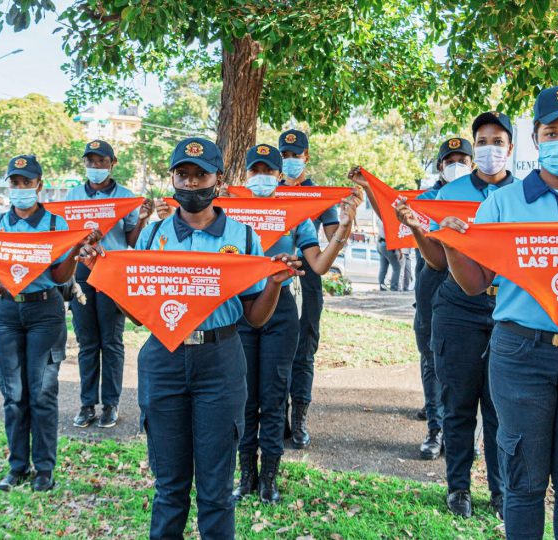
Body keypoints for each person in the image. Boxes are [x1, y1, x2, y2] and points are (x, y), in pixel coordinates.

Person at [83, 137, 302, 539]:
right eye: (182, 175)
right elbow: (137, 317)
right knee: (169, 489)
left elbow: (254, 318)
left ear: (218, 179)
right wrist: (110, 280)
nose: (190, 183)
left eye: (200, 175)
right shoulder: (152, 237)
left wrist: (273, 285)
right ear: (173, 179)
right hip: (163, 362)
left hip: (220, 363)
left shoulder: (244, 237)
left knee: (217, 492)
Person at [442, 86, 558, 539]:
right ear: (535, 137)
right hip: (520, 355)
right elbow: (475, 284)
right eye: (553, 132)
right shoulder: (503, 203)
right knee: (524, 484)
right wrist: (455, 246)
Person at [389, 112, 516, 519]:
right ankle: (457, 487)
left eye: (497, 141)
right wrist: (419, 229)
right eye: (482, 141)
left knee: (501, 408)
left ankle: (501, 491)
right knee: (458, 402)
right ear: (474, 145)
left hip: (510, 310)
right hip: (457, 309)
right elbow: (437, 263)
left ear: (511, 148)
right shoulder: (450, 194)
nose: (489, 149)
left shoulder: (524, 196)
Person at [230, 144, 361, 504]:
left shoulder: (294, 215)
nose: (261, 177)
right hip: (238, 312)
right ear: (245, 176)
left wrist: (342, 230)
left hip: (280, 310)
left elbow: (318, 265)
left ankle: (269, 476)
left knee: (273, 397)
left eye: (268, 171)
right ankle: (246, 475)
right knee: (244, 398)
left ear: (279, 176)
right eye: (254, 171)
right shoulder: (229, 214)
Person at [0, 155, 90, 493]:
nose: (20, 189)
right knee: (13, 394)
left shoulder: (54, 225)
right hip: (5, 313)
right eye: (14, 183)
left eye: (26, 183)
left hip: (44, 311)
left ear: (39, 185)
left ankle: (44, 469)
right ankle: (17, 467)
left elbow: (61, 276)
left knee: (42, 393)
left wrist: (74, 247)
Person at [65, 140, 153, 429]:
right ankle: (87, 403)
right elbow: (65, 236)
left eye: (101, 162)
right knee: (87, 341)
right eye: (90, 162)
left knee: (112, 341)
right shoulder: (73, 196)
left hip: (111, 274)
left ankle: (111, 405)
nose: (95, 167)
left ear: (112, 163)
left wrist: (141, 220)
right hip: (81, 273)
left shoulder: (126, 198)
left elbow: (131, 240)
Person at [277, 129, 340, 449]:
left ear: (306, 157)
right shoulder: (269, 191)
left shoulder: (319, 194)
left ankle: (299, 417)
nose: (290, 161)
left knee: (304, 348)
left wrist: (348, 219)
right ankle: (277, 417)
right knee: (276, 348)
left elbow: (332, 234)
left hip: (308, 271)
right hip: (274, 276)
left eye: (295, 155)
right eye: (284, 156)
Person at [413, 138, 474, 460]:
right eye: (450, 160)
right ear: (439, 166)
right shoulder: (424, 201)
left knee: (466, 366)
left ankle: (461, 434)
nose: (456, 165)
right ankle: (435, 430)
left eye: (462, 159)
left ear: (472, 163)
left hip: (471, 289)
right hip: (432, 281)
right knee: (431, 359)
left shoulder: (488, 198)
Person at [375, 217, 404, 291]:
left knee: (383, 267)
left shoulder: (379, 217)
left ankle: (381, 286)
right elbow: (394, 235)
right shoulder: (390, 218)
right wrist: (399, 250)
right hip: (387, 244)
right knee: (397, 268)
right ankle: (394, 287)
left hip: (380, 243)